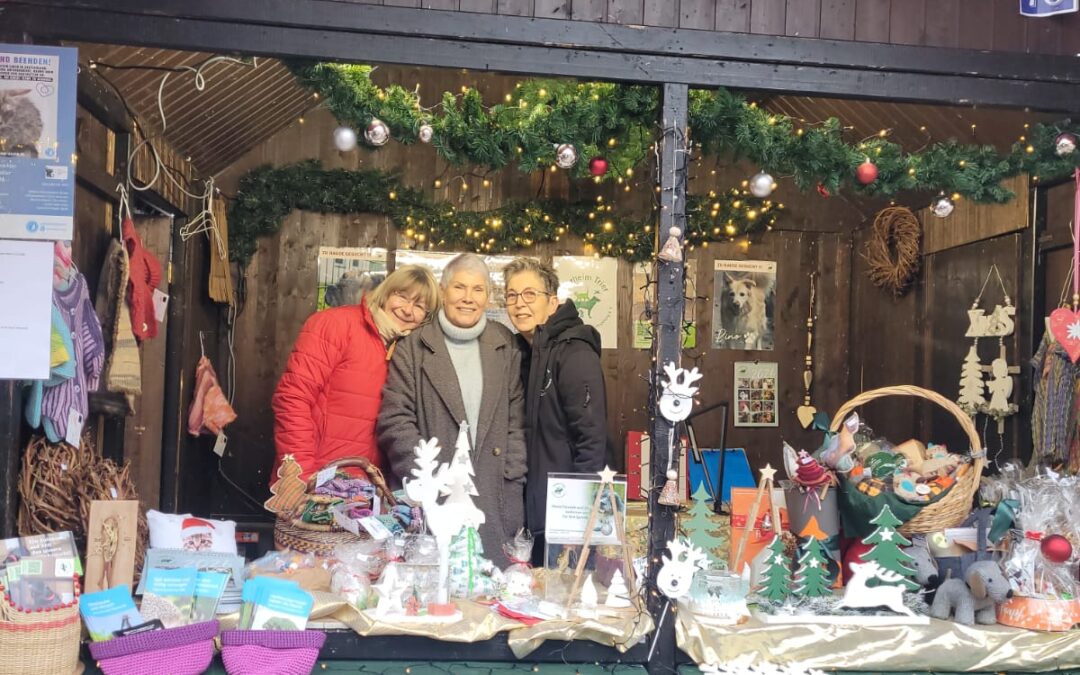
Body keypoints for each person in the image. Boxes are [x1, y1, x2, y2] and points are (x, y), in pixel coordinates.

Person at [378, 253, 526, 567]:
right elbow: (395, 420)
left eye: (477, 289)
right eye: (459, 287)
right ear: (443, 291)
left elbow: (516, 420)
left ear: (488, 296)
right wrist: (426, 478)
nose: (468, 298)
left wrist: (512, 475)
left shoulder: (505, 345)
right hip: (434, 497)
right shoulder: (414, 346)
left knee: (491, 592)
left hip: (495, 495)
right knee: (434, 588)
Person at [272, 265, 439, 479]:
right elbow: (292, 399)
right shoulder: (335, 325)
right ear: (386, 293)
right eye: (402, 296)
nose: (407, 309)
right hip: (317, 480)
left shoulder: (409, 352)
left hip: (368, 494)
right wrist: (302, 477)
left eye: (419, 305)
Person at [503, 257, 608, 566]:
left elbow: (591, 441)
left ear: (552, 302)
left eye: (529, 294)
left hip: (564, 517)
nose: (519, 304)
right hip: (534, 509)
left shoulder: (574, 353)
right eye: (511, 295)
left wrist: (580, 520)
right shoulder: (524, 351)